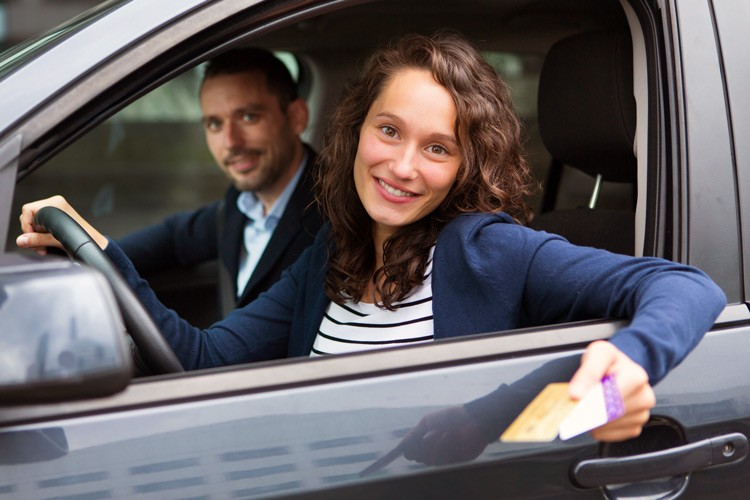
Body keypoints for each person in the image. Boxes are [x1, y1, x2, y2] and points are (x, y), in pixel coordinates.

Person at [17, 32, 725, 444]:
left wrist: (628, 368)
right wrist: (98, 255)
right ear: (356, 131)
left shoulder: (487, 249)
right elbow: (203, 359)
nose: (403, 166)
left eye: (437, 148)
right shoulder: (327, 258)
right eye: (388, 131)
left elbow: (686, 286)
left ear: (463, 167)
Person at [117, 48, 324, 316]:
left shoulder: (337, 214)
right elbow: (175, 237)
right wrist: (78, 253)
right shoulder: (239, 207)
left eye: (249, 117)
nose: (231, 142)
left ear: (297, 117)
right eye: (215, 124)